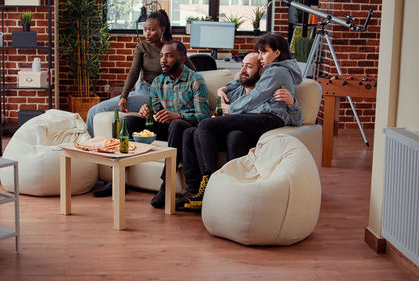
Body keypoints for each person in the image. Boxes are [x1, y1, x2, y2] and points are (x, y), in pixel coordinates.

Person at [178, 34, 303, 211]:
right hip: (259, 119)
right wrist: (225, 88)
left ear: (277, 52)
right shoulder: (272, 71)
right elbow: (239, 82)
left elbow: (255, 97)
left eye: (263, 52)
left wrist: (230, 110)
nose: (261, 56)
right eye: (259, 52)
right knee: (199, 131)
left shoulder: (276, 71)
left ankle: (212, 182)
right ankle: (198, 191)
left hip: (269, 120)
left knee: (205, 125)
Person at [125, 40, 210, 208]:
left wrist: (177, 115)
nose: (163, 60)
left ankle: (166, 185)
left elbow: (203, 116)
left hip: (185, 128)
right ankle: (120, 175)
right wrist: (147, 109)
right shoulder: (158, 81)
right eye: (162, 56)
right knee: (130, 120)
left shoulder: (195, 80)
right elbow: (156, 111)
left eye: (169, 56)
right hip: (166, 127)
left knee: (177, 124)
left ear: (182, 59)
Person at [86, 10, 196, 138]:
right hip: (141, 90)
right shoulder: (142, 46)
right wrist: (124, 96)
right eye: (145, 29)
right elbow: (133, 72)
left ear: (162, 30)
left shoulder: (172, 48)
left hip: (156, 96)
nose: (147, 33)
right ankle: (90, 146)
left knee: (99, 109)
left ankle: (93, 147)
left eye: (151, 30)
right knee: (94, 110)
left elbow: (192, 71)